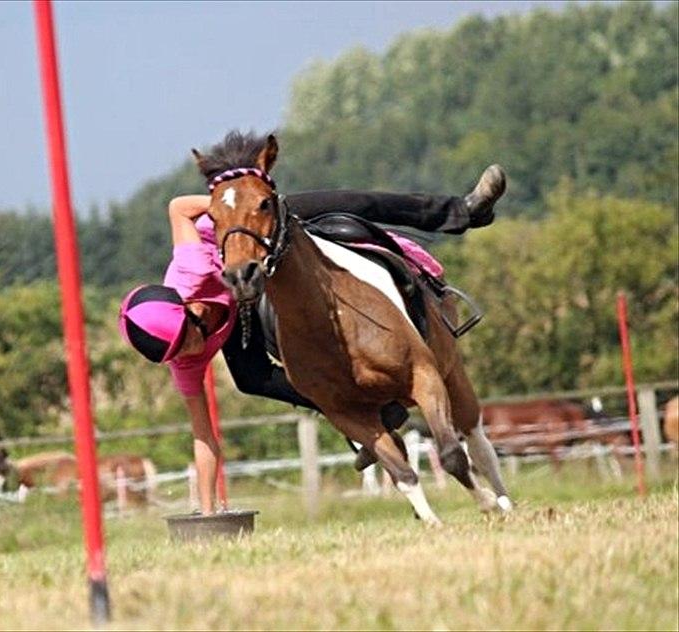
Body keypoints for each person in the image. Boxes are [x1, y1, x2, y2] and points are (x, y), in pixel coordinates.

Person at [119, 139, 506, 515]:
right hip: (243, 296)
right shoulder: (183, 362)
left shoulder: (193, 268)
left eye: (188, 340)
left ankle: (462, 211)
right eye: (178, 354)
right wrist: (206, 513)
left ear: (186, 306)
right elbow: (202, 436)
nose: (190, 353)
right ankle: (360, 410)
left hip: (257, 229)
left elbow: (176, 207)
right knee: (249, 378)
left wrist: (236, 204)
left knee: (351, 204)